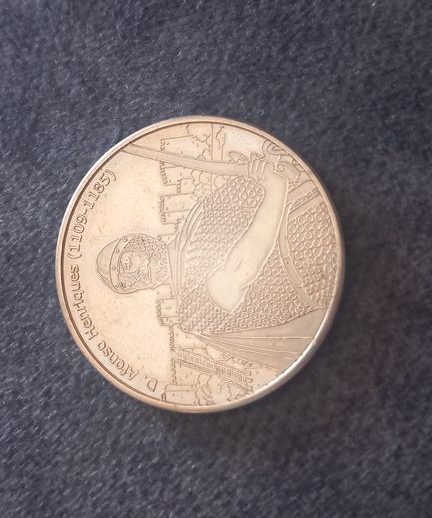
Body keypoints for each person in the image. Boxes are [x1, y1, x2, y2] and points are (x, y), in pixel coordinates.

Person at [97, 154, 332, 371]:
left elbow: (271, 182)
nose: (134, 277)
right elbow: (242, 268)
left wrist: (263, 169)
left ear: (140, 241)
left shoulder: (203, 209)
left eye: (127, 263)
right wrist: (275, 190)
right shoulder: (192, 312)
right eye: (126, 284)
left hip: (317, 214)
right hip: (316, 279)